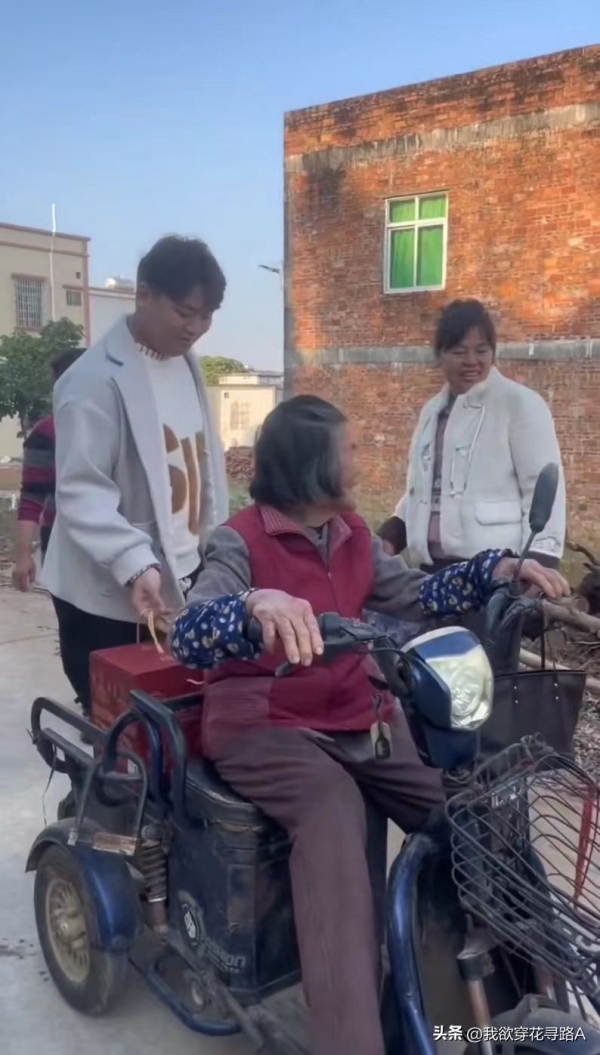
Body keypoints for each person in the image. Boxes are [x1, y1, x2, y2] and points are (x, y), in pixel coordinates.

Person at [167, 395, 569, 1055]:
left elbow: (415, 594)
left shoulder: (351, 533)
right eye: (350, 448)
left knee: (474, 806)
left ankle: (529, 998)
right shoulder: (239, 540)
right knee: (332, 814)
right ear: (310, 466)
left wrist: (497, 568)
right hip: (267, 722)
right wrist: (254, 604)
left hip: (359, 712)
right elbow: (189, 630)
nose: (363, 459)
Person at [42, 235, 229, 718]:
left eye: (207, 315)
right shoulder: (91, 380)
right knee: (116, 728)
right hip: (109, 595)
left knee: (173, 724)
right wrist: (133, 562)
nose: (196, 328)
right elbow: (82, 491)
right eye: (185, 312)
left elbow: (203, 465)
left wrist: (215, 549)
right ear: (144, 294)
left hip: (181, 576)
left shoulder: (186, 366)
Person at [378, 298, 566, 570]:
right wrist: (392, 534)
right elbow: (424, 487)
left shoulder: (520, 404)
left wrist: (539, 564)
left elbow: (543, 489)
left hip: (495, 568)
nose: (471, 361)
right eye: (459, 352)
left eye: (481, 350)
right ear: (440, 355)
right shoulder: (432, 411)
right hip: (431, 568)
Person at [12, 347, 84, 592]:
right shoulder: (47, 433)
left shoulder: (122, 427)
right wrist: (23, 557)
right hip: (62, 540)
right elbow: (32, 497)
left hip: (119, 542)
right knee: (73, 614)